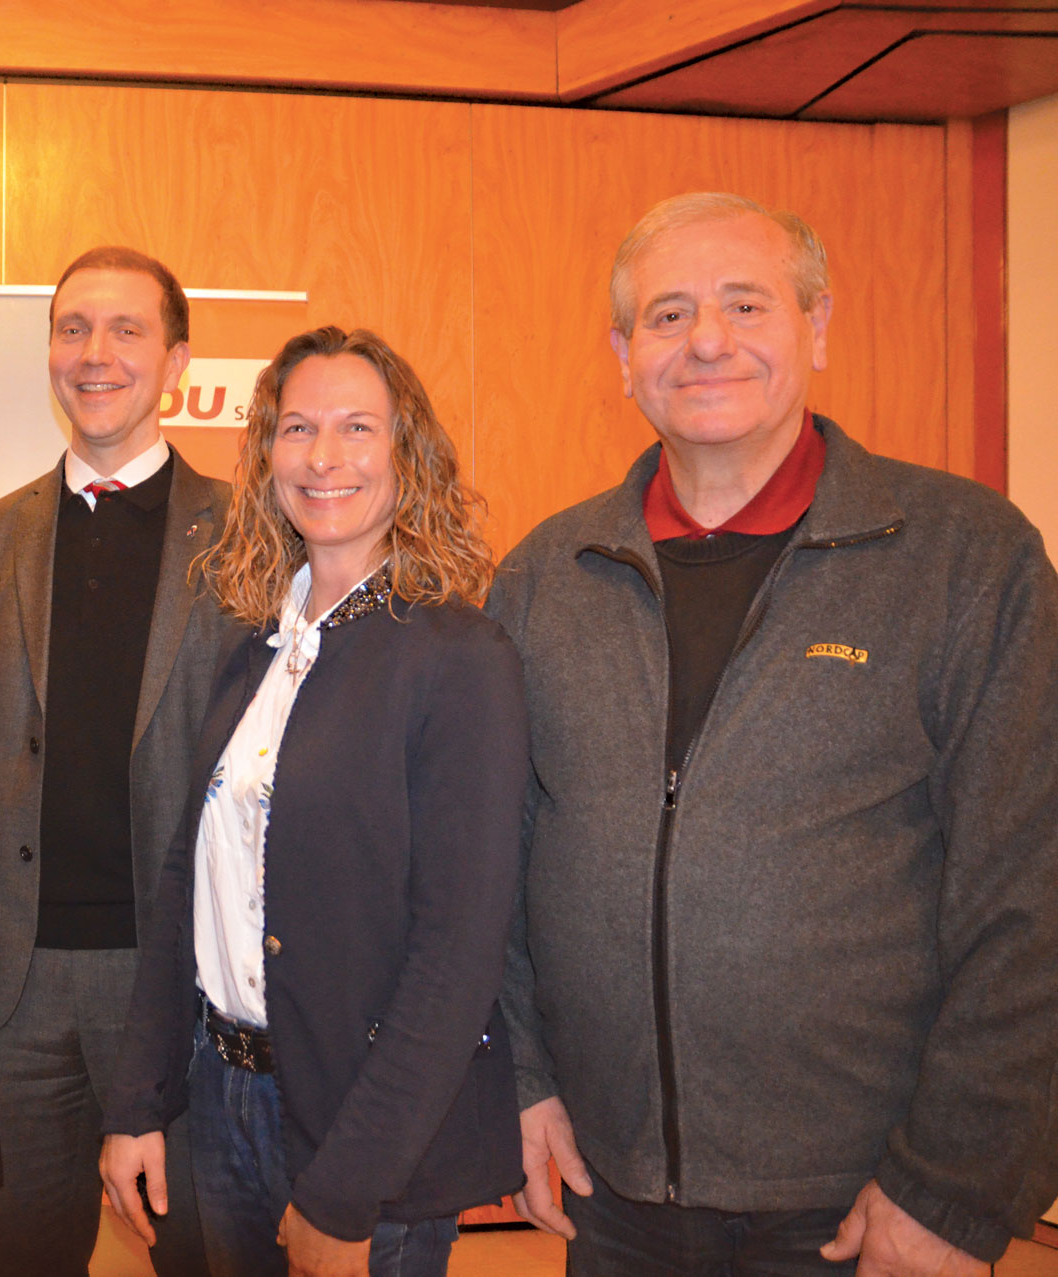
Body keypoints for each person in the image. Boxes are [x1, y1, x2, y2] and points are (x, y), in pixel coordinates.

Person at [489, 192, 1058, 1276]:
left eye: (745, 305)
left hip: (862, 1204)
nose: (706, 340)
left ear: (817, 325)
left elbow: (1030, 894)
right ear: (622, 356)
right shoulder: (543, 577)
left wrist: (954, 1184)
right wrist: (520, 1078)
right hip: (612, 1195)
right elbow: (497, 869)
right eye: (667, 315)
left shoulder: (964, 560)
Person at [100, 326, 528, 1277]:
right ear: (267, 455)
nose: (324, 457)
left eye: (357, 428)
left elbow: (457, 954)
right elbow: (185, 881)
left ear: (407, 456)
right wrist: (137, 1099)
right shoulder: (253, 646)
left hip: (365, 1130)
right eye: (297, 428)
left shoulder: (459, 657)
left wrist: (347, 1184)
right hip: (224, 1106)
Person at [0, 246, 225, 1275]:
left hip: (179, 980)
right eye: (72, 329)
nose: (94, 353)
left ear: (175, 361)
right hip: (17, 989)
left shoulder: (248, 532)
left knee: (206, 1253)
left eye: (125, 329)